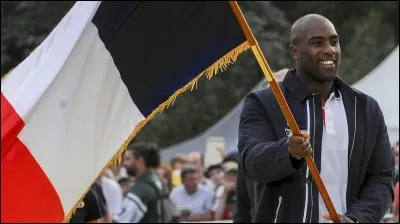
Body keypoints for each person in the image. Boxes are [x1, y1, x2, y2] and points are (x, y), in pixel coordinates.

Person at [238, 14, 395, 223]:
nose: (329, 49)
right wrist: (288, 152)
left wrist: (358, 219)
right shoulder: (264, 102)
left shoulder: (365, 108)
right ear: (295, 52)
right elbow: (251, 162)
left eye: (334, 41)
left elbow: (382, 178)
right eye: (317, 43)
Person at [113, 142, 166, 223]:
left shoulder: (142, 188)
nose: (123, 164)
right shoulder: (157, 180)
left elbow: (120, 221)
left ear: (139, 161)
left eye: (128, 159)